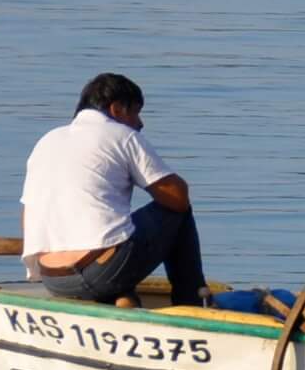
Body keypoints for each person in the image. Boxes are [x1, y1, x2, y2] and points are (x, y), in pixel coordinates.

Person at [21, 73, 206, 307]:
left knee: (115, 230)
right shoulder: (122, 135)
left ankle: (123, 297)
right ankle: (191, 303)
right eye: (136, 112)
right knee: (176, 212)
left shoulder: (47, 140)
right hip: (100, 273)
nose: (140, 123)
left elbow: (28, 216)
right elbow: (178, 198)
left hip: (53, 278)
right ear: (117, 109)